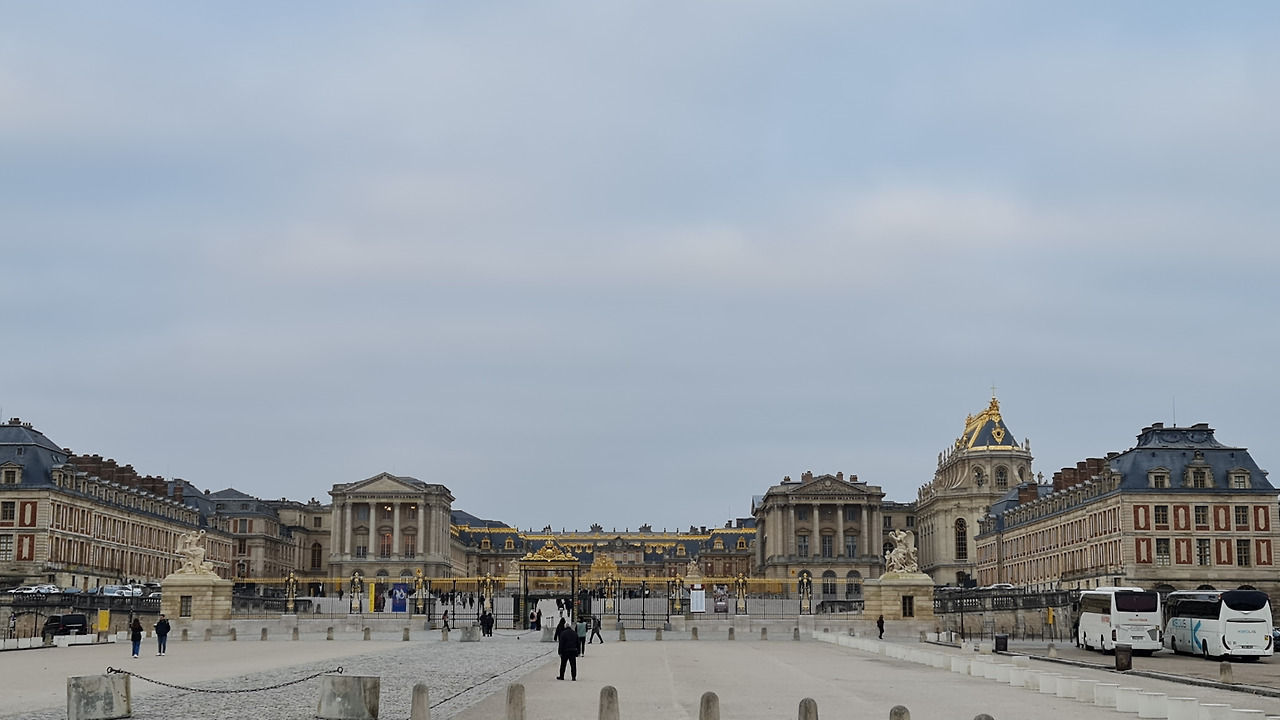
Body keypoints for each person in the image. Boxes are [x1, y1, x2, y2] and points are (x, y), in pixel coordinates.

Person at [556, 614, 579, 681]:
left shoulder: (563, 633)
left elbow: (561, 643)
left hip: (565, 651)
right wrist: (578, 651)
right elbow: (578, 643)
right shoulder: (574, 633)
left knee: (563, 664)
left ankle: (562, 676)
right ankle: (573, 677)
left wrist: (560, 652)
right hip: (573, 650)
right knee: (573, 665)